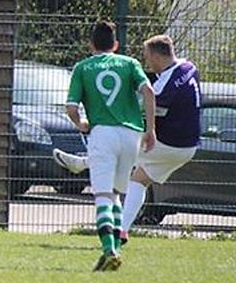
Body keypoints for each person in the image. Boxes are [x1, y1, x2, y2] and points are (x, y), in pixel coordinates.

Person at [53, 34, 201, 243]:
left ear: (158, 57)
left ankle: (82, 163)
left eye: (147, 57)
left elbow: (150, 103)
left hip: (169, 142)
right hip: (189, 146)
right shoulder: (189, 67)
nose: (147, 62)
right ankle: (122, 230)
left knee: (117, 149)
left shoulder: (164, 86)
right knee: (139, 180)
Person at [65, 21, 156, 272]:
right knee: (117, 193)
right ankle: (115, 248)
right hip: (131, 134)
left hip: (102, 132)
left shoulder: (83, 68)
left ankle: (109, 250)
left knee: (103, 195)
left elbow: (71, 108)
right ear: (115, 44)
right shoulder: (129, 63)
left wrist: (81, 124)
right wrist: (151, 130)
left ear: (90, 44)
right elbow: (148, 90)